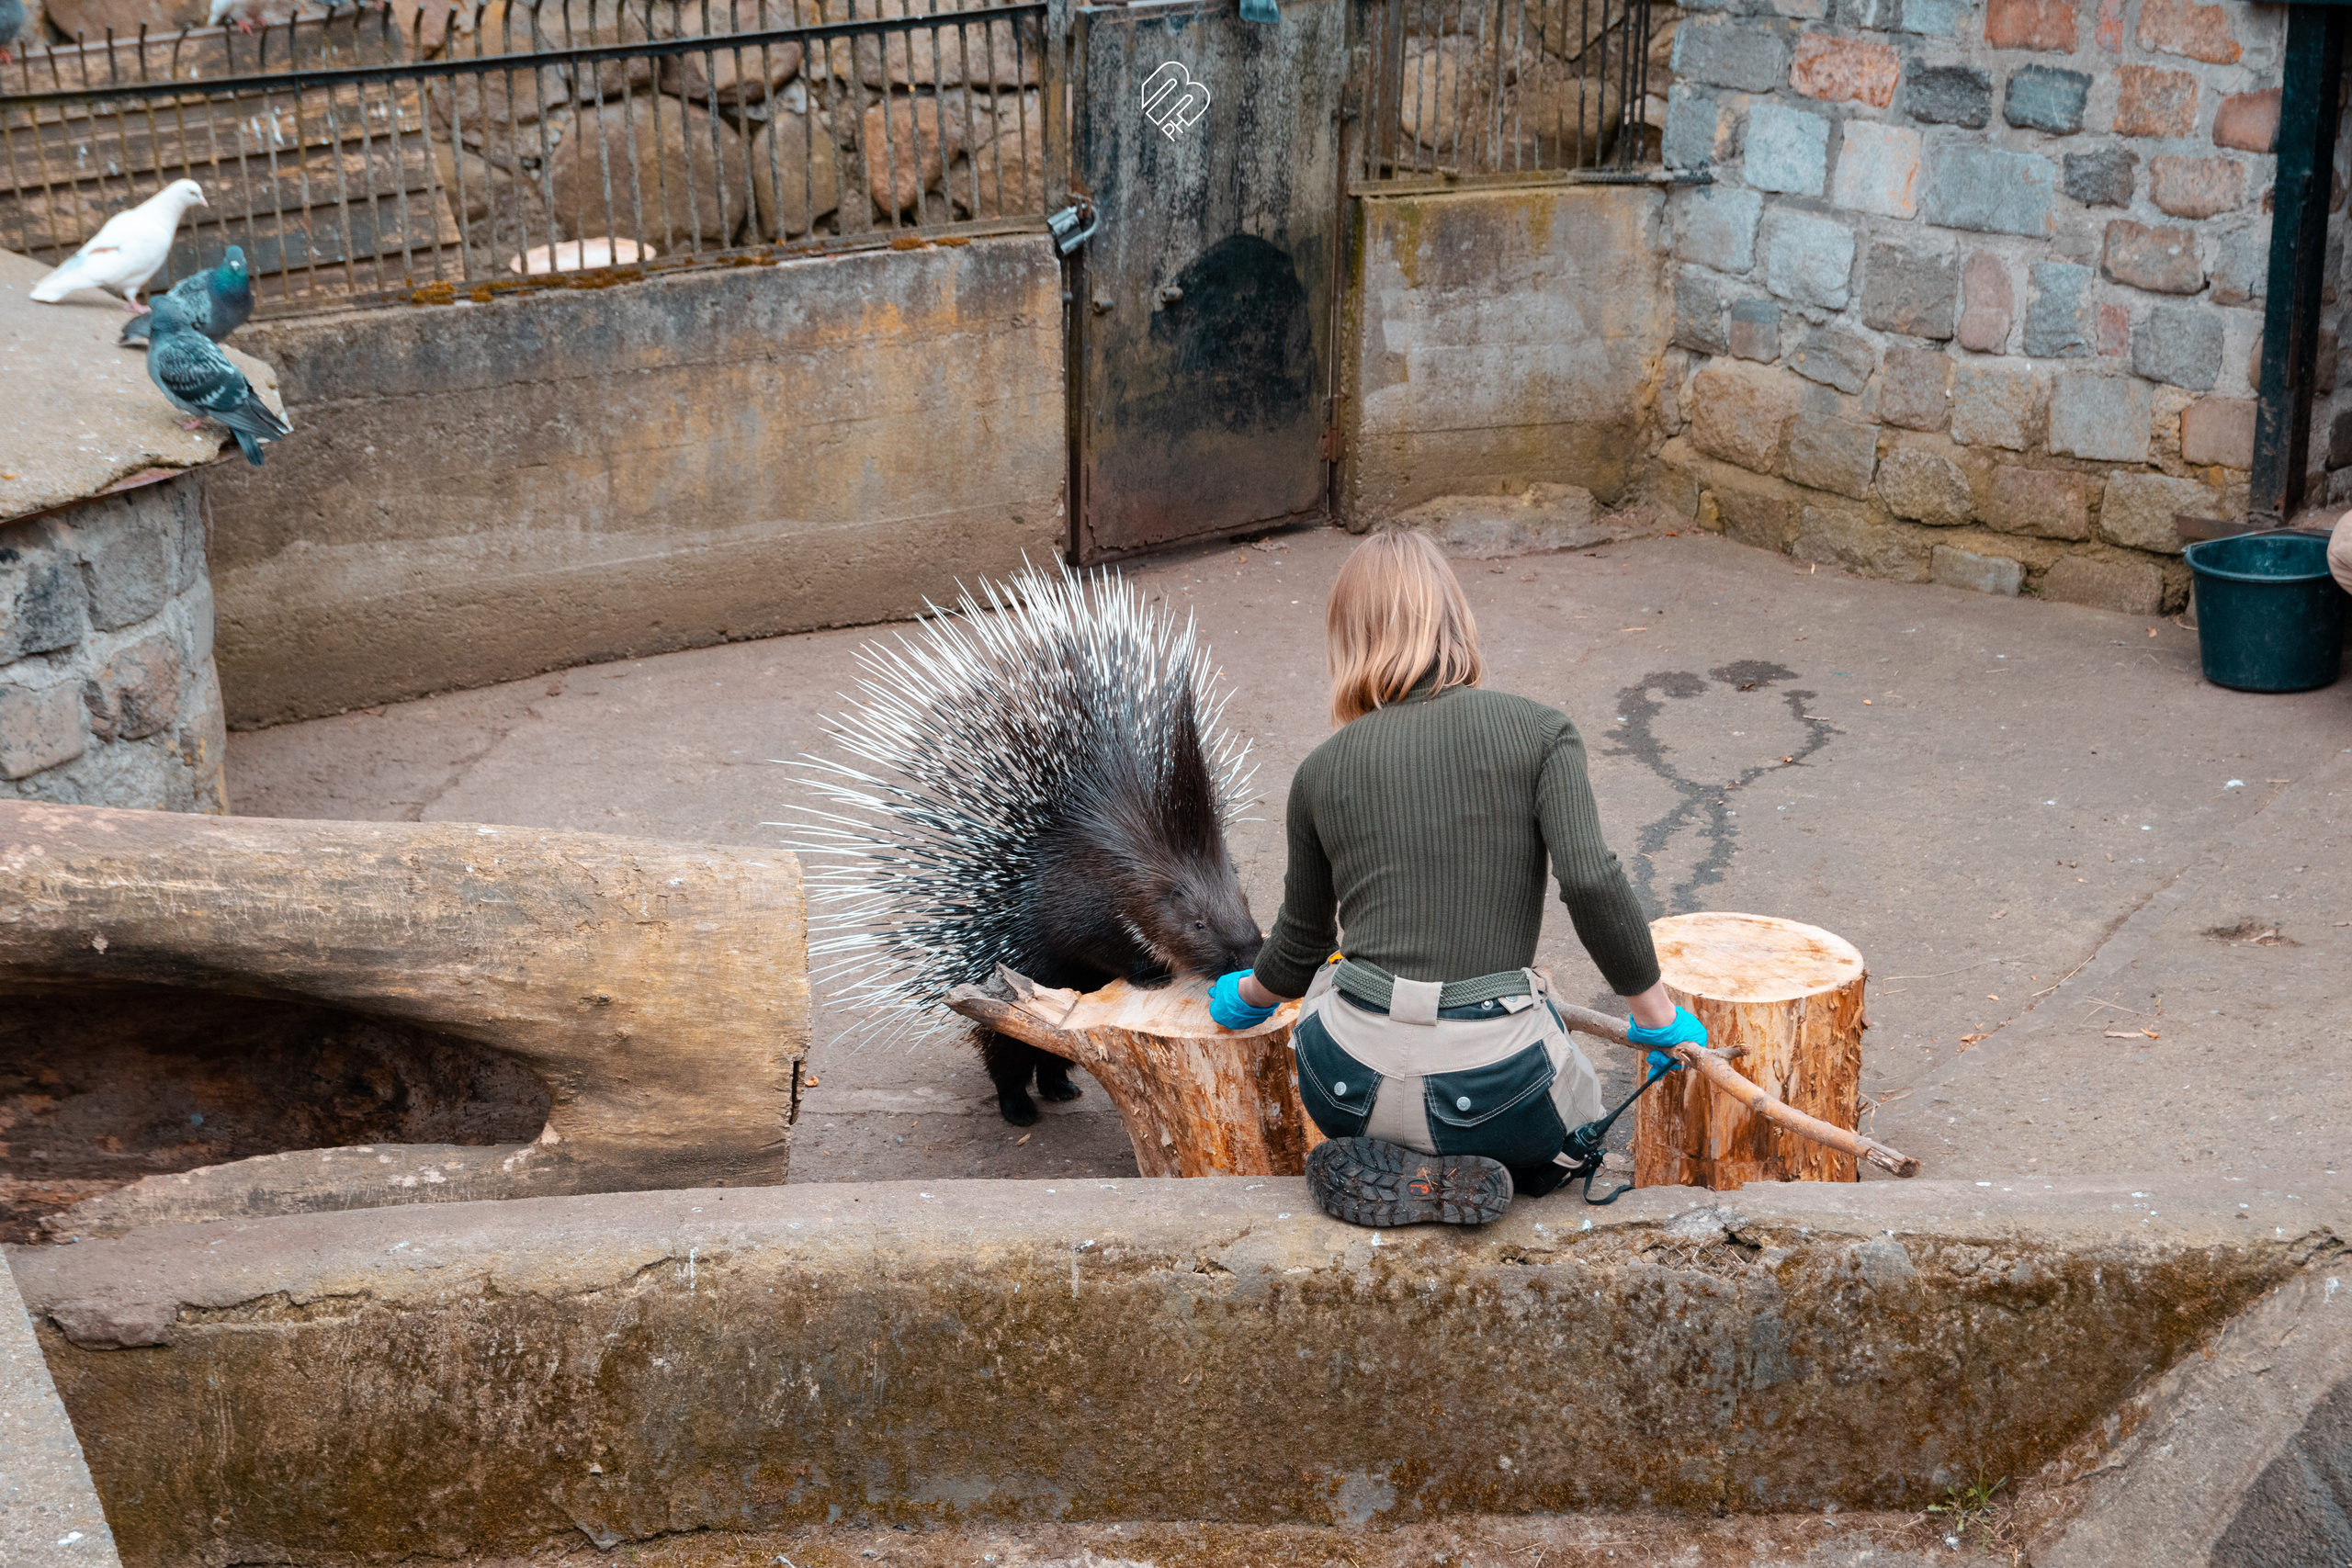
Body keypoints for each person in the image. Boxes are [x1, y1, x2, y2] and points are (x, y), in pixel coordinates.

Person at [1205, 528, 1705, 1228]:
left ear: (1349, 641)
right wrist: (1658, 1021)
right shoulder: (1540, 732)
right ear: (1455, 619)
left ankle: (1403, 1164)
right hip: (1500, 1085)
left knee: (1333, 980)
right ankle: (1518, 1167)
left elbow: (1299, 948)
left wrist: (1246, 996)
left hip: (1345, 1079)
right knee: (1581, 1109)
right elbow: (1591, 881)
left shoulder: (1320, 770)